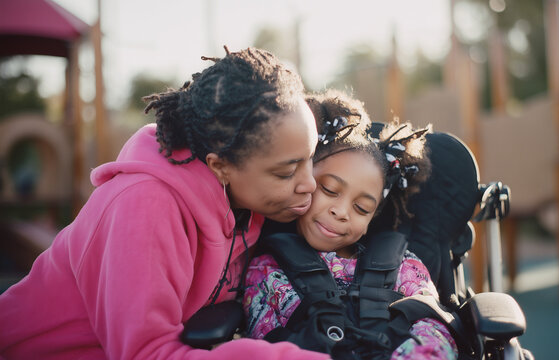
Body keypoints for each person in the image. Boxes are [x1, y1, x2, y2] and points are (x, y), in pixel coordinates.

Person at [0, 47, 329, 359]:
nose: (309, 184)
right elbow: (147, 353)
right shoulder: (143, 208)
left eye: (309, 160)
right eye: (287, 172)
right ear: (220, 166)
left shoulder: (247, 199)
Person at [243, 90, 458, 360]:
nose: (341, 212)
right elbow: (265, 342)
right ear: (305, 181)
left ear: (372, 218)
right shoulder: (265, 271)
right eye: (330, 190)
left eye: (361, 208)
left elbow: (434, 328)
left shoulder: (405, 266)